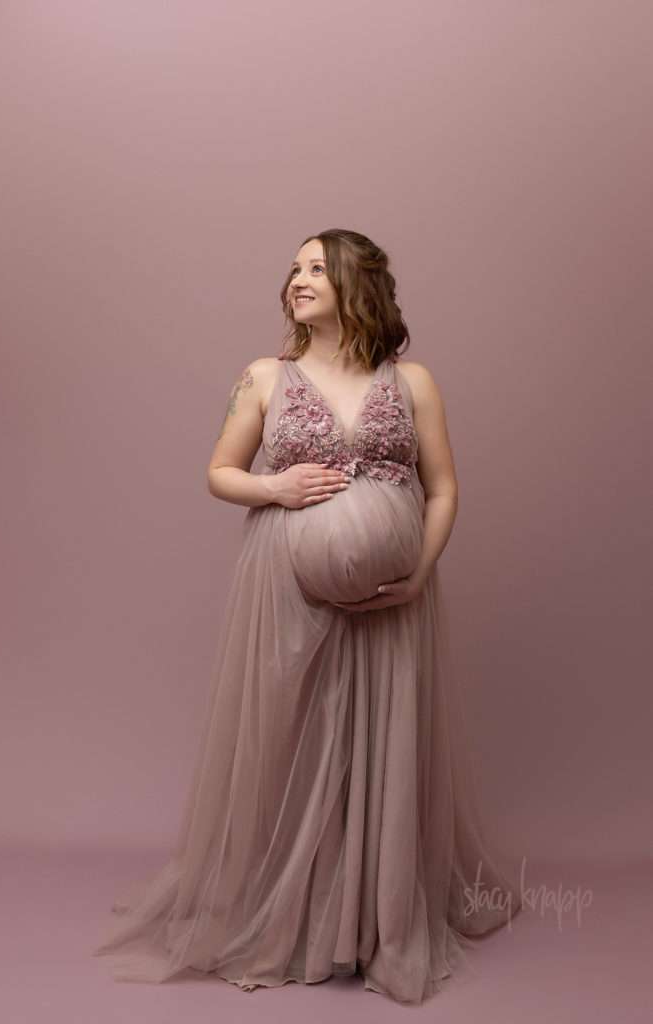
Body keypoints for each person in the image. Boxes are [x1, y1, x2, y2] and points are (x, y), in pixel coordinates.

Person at [92, 228, 522, 1004]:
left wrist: (419, 571)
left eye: (316, 267)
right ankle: (291, 920)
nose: (297, 278)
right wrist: (276, 490)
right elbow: (220, 473)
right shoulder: (265, 376)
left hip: (396, 603)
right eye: (293, 268)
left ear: (357, 282)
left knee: (381, 749)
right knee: (296, 745)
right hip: (284, 590)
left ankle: (370, 926)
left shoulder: (412, 381)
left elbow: (444, 488)